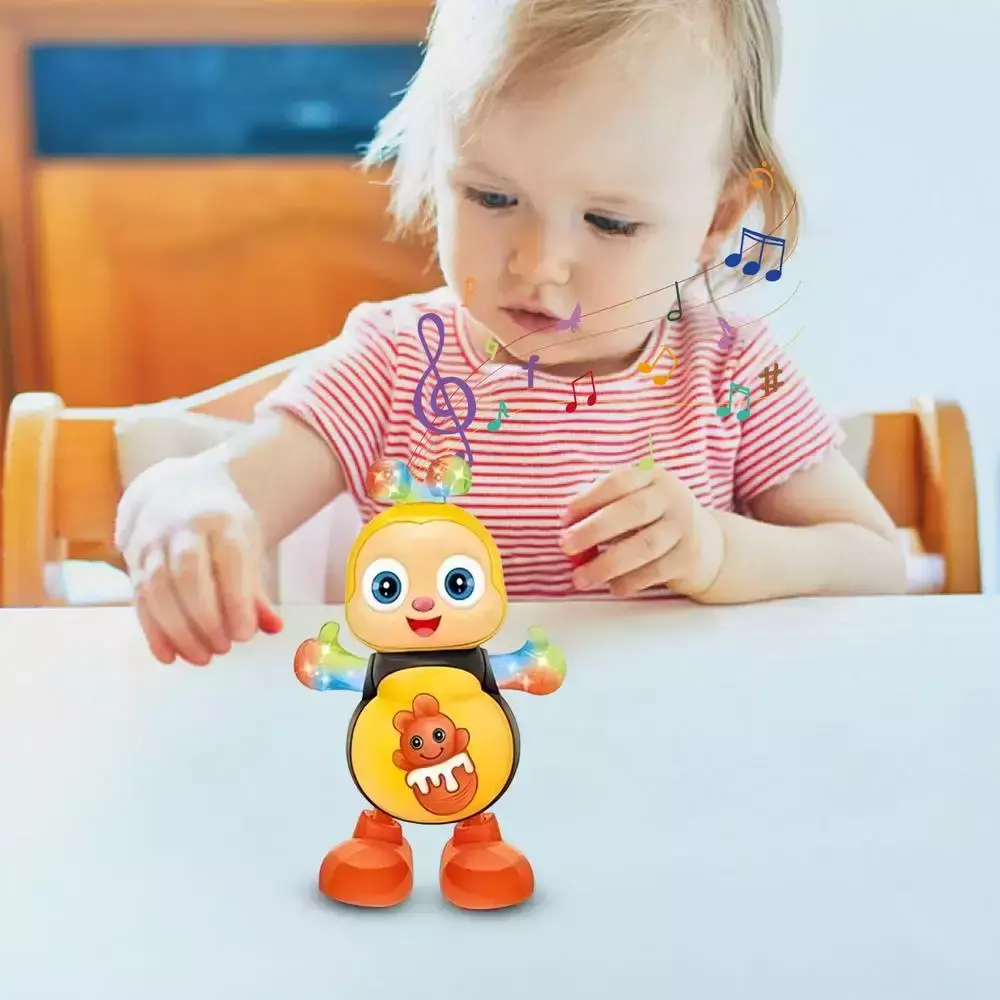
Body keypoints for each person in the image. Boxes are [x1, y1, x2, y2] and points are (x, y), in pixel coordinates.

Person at [116, 0, 906, 668]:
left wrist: (720, 552)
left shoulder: (729, 371)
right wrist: (183, 504)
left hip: (673, 749)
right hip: (440, 756)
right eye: (491, 198)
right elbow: (212, 482)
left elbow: (874, 561)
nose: (537, 264)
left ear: (717, 220)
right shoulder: (395, 365)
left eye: (609, 221)